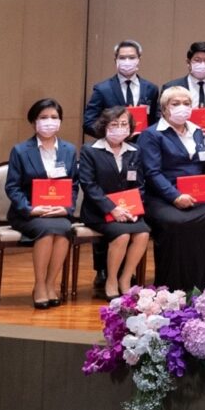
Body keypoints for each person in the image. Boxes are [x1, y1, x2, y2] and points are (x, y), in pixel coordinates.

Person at [139, 86, 205, 292]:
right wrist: (175, 196)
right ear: (164, 109)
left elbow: (203, 165)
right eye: (175, 104)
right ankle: (171, 286)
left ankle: (203, 283)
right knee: (176, 221)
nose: (182, 108)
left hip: (194, 195)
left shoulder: (197, 132)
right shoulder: (151, 135)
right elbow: (152, 173)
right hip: (162, 197)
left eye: (186, 103)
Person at [5, 98, 78, 308]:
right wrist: (31, 209)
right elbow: (12, 187)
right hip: (28, 212)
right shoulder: (20, 150)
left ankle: (50, 283)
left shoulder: (69, 150)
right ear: (34, 122)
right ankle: (39, 285)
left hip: (58, 210)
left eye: (54, 117)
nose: (49, 122)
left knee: (63, 230)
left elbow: (73, 184)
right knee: (46, 231)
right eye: (44, 117)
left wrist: (66, 208)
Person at [77, 105, 150, 299]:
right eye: (114, 124)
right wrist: (112, 208)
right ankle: (110, 279)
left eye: (124, 124)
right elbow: (88, 184)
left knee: (143, 233)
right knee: (123, 235)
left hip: (129, 210)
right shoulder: (90, 150)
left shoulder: (135, 150)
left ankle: (125, 279)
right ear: (104, 126)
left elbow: (140, 184)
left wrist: (135, 208)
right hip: (98, 211)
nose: (120, 128)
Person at [82, 39, 159, 138]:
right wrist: (112, 135)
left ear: (139, 60)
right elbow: (88, 123)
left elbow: (154, 121)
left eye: (132, 57)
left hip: (142, 147)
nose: (127, 61)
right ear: (116, 60)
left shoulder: (151, 88)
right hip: (111, 148)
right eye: (122, 58)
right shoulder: (102, 89)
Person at [161, 41, 205, 111]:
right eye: (197, 60)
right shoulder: (171, 87)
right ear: (188, 62)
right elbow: (161, 115)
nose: (202, 64)